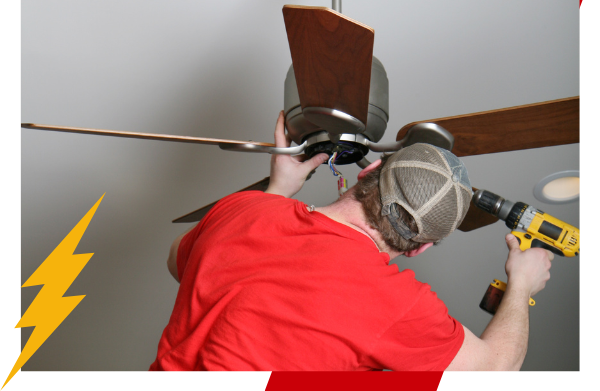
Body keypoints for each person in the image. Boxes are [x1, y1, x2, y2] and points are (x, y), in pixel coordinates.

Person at [149, 111, 553, 372]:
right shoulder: (398, 303)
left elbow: (177, 261)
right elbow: (496, 367)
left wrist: (276, 189)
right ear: (420, 248)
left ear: (368, 172)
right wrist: (521, 284)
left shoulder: (242, 210)